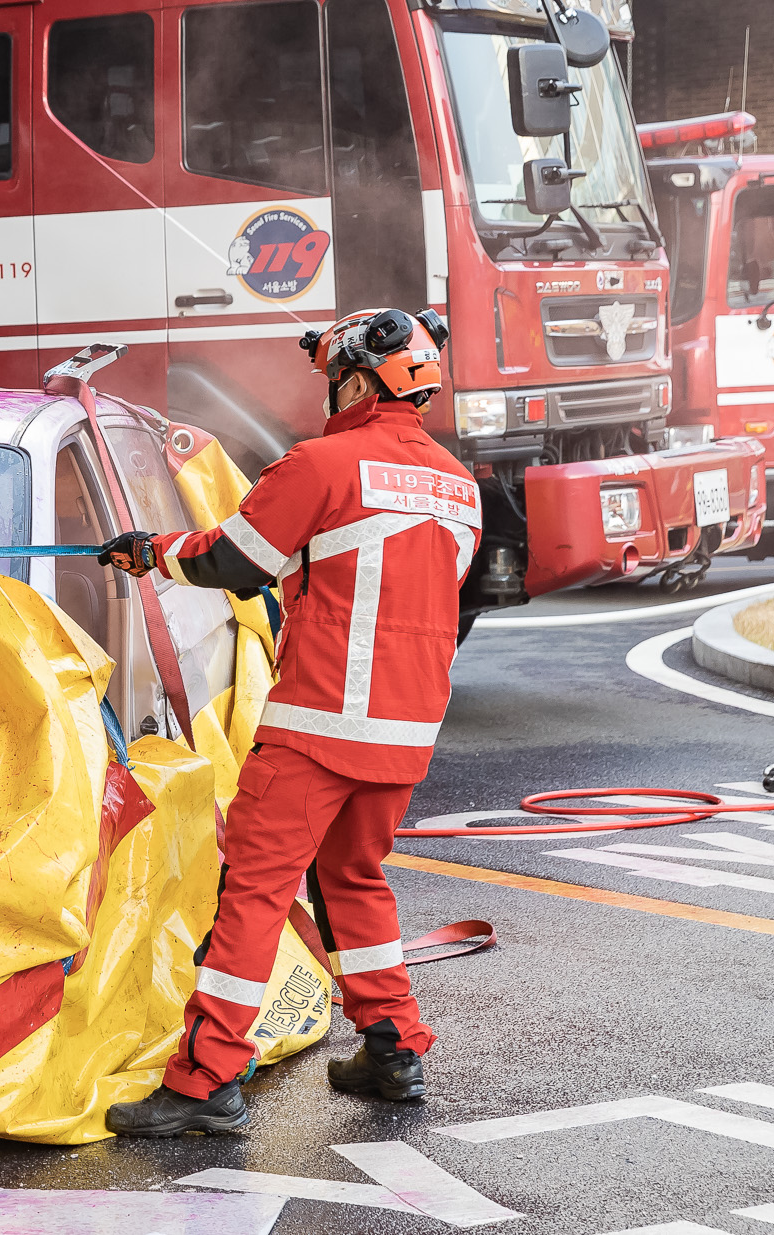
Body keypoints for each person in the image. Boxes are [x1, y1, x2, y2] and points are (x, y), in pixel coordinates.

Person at [98, 307, 481, 1137]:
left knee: (254, 894)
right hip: (406, 734)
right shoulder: (461, 487)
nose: (328, 392)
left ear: (358, 376)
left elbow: (233, 560)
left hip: (317, 727)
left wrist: (149, 549)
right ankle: (393, 1049)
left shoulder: (323, 463)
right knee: (353, 879)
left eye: (334, 376)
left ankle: (204, 1082)